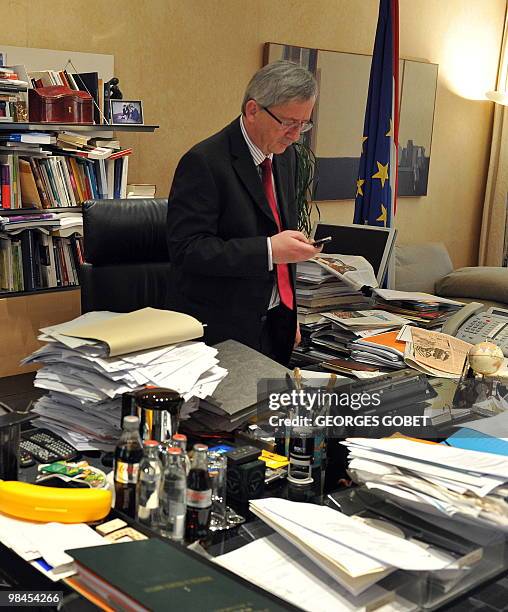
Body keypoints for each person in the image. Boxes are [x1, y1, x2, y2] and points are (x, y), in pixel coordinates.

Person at [167, 60, 321, 365]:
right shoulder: (204, 162)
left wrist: (290, 312)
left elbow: (276, 228)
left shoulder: (285, 158)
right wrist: (268, 250)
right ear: (253, 110)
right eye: (289, 122)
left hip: (276, 326)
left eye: (303, 124)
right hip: (221, 333)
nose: (295, 135)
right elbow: (188, 250)